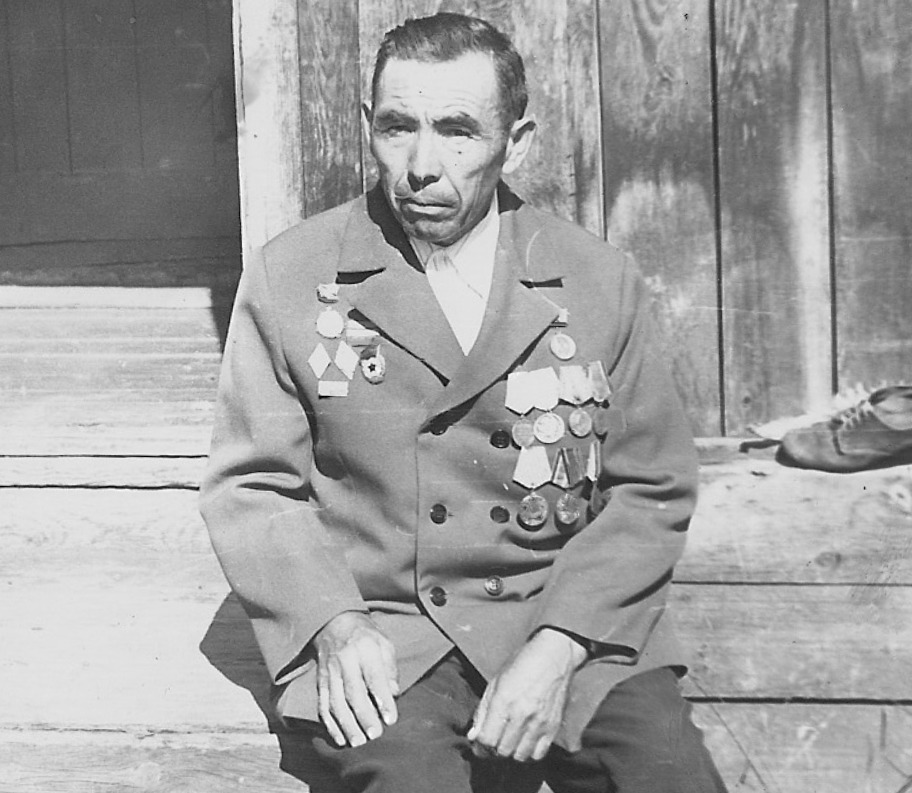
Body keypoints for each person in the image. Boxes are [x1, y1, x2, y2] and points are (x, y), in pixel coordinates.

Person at [200, 12, 727, 793]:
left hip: (565, 616)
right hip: (391, 632)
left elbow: (649, 486)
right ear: (366, 126)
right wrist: (333, 623)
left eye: (457, 132)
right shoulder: (295, 275)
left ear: (517, 142)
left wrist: (560, 645)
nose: (421, 166)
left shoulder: (594, 279)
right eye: (397, 127)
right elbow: (252, 485)